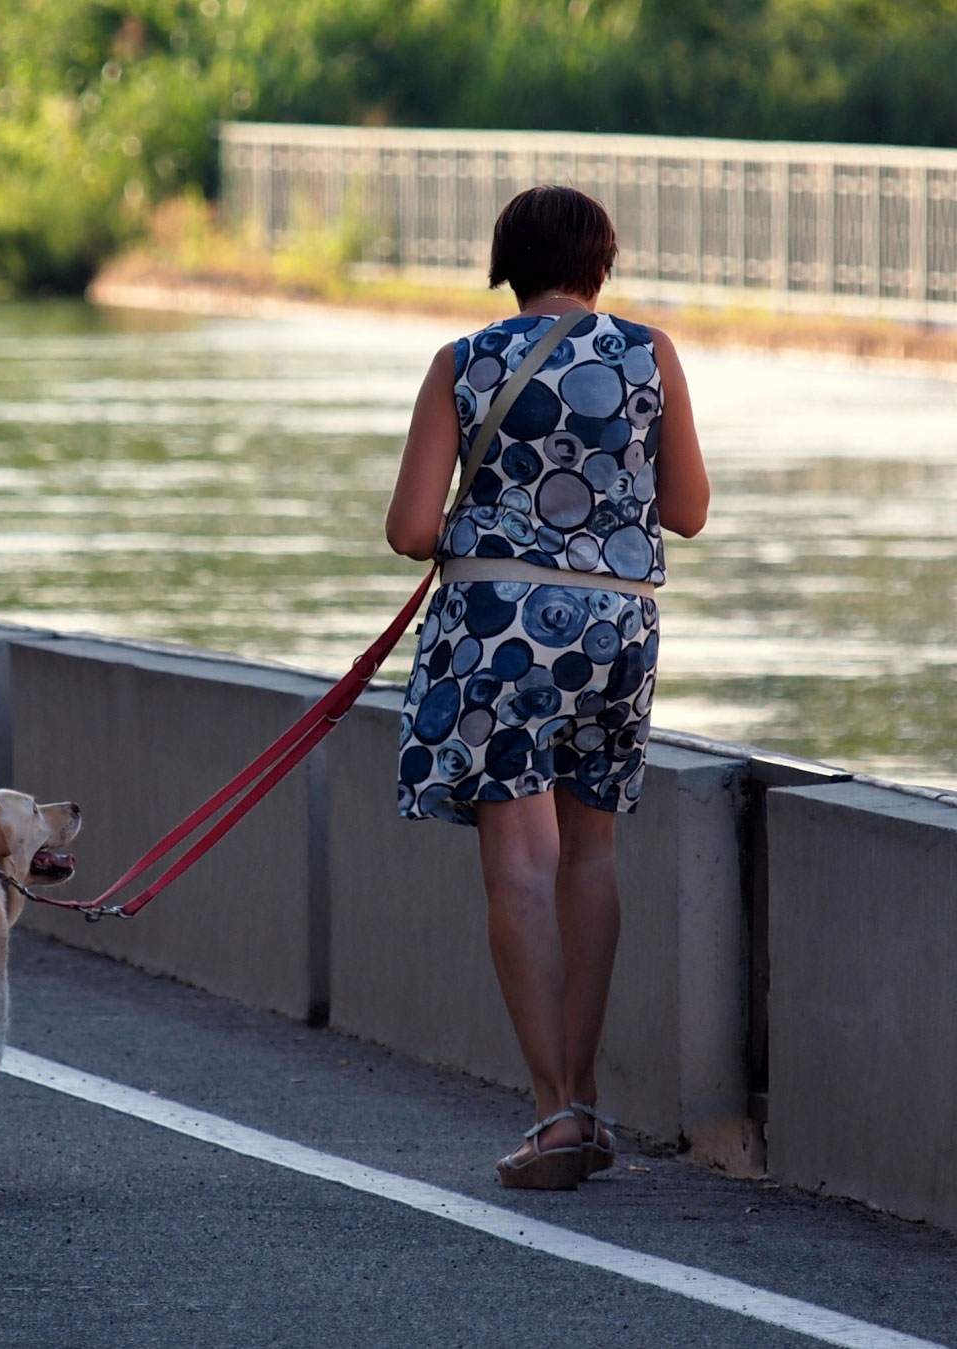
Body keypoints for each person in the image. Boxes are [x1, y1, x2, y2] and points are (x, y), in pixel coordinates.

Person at [384, 185, 710, 1190]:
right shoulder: (648, 353)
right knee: (591, 853)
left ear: (505, 263)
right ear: (602, 262)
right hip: (615, 627)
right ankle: (588, 1094)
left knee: (520, 865)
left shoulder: (463, 361)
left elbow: (408, 530)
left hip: (498, 630)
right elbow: (689, 511)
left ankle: (554, 1110)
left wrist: (498, 534)